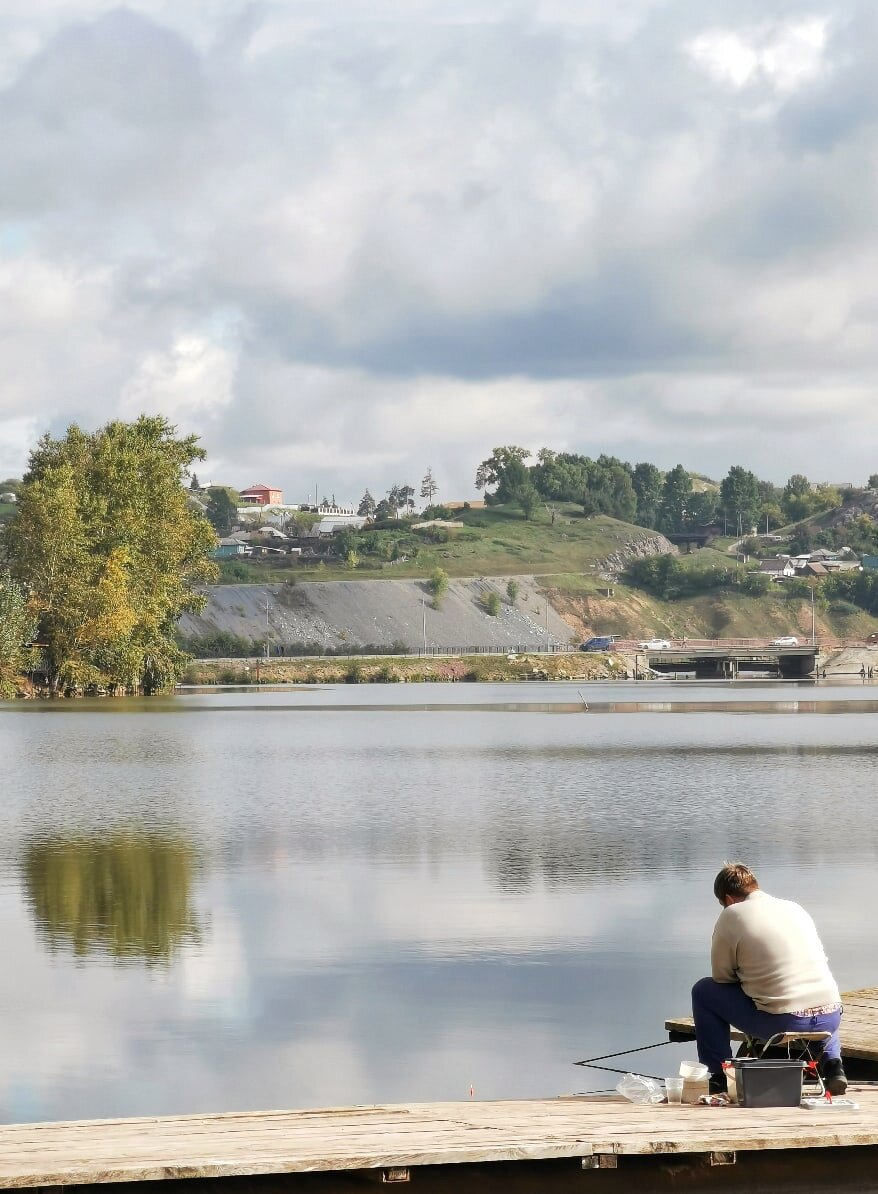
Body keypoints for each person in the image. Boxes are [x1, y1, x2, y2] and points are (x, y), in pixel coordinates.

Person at [691, 863, 846, 1095]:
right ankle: (834, 1066)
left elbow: (722, 978)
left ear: (728, 899)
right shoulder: (794, 908)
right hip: (831, 1017)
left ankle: (719, 1075)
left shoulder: (732, 914)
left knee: (703, 991)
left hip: (782, 1023)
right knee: (817, 1000)